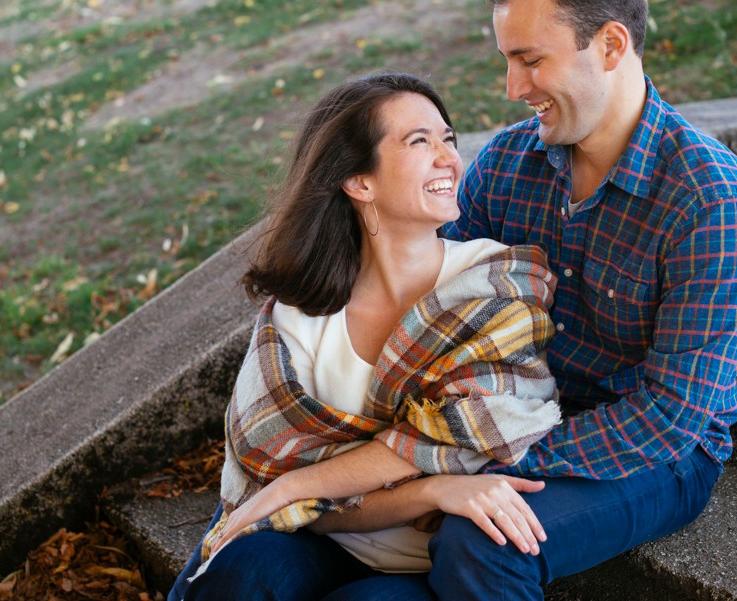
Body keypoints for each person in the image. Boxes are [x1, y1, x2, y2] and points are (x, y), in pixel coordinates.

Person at [168, 72, 564, 601]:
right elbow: (281, 490)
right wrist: (430, 487)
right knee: (239, 571)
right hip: (323, 539)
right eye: (419, 142)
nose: (449, 158)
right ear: (359, 182)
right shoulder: (301, 313)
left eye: (447, 138)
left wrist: (299, 485)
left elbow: (482, 431)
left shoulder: (494, 284)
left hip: (432, 561)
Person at [423, 0, 737, 599]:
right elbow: (434, 303)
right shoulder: (506, 163)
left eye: (530, 60)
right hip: (520, 408)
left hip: (664, 451)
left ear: (610, 46)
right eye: (507, 60)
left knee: (483, 537)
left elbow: (670, 414)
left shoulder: (711, 201)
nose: (512, 88)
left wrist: (482, 465)